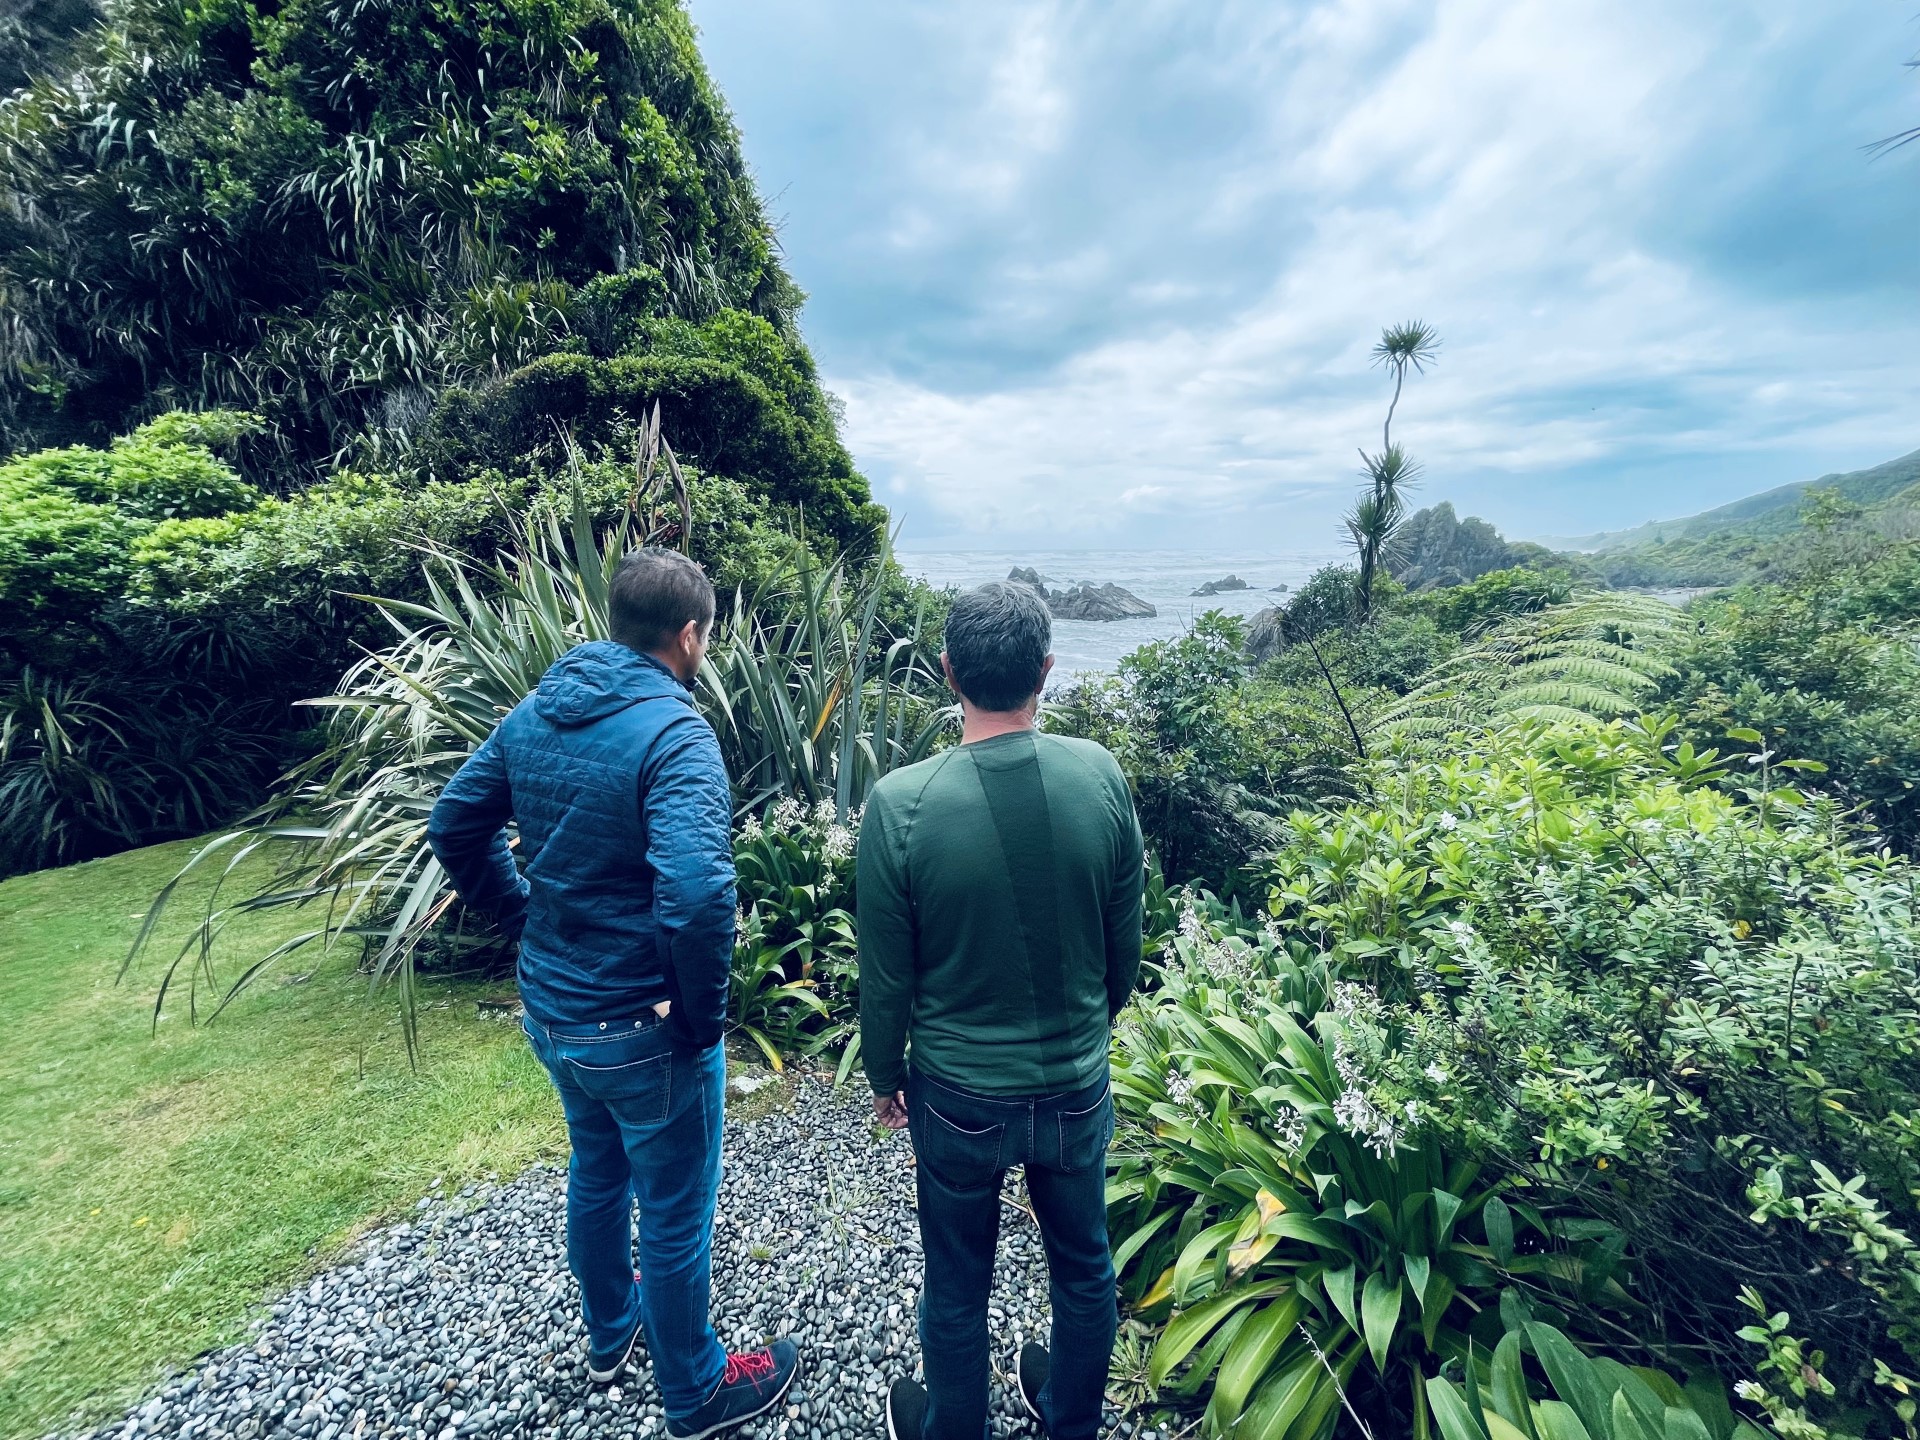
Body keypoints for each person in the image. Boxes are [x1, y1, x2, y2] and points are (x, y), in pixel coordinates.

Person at [427, 548, 798, 1440]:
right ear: (691, 634)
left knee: (595, 1173)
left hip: (556, 1012)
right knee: (673, 1213)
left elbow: (454, 824)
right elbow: (702, 894)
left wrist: (522, 919)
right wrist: (702, 1024)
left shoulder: (535, 711)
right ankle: (697, 1392)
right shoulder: (676, 733)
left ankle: (610, 1334)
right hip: (638, 1024)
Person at [858, 581, 1144, 1440]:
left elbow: (887, 978)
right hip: (1074, 1085)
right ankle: (1069, 1420)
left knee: (955, 1282)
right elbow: (1124, 945)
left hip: (957, 1097)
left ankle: (952, 1426)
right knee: (1085, 1270)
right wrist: (1093, 1028)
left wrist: (883, 1075)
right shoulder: (1100, 775)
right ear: (1046, 672)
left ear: (948, 672)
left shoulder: (900, 803)